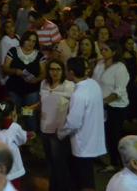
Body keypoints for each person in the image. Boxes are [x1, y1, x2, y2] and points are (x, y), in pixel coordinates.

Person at [58, 57, 106, 191]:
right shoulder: (93, 84)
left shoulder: (78, 94)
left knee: (84, 181)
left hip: (83, 143)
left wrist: (60, 133)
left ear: (71, 72)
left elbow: (73, 123)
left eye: (66, 70)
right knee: (87, 177)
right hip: (93, 138)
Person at [93, 39, 131, 173]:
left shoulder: (120, 67)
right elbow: (94, 82)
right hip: (102, 104)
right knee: (105, 134)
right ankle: (110, 160)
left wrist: (104, 102)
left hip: (116, 106)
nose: (102, 51)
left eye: (105, 49)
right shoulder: (100, 64)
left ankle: (118, 164)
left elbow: (118, 91)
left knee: (114, 135)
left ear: (114, 52)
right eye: (101, 49)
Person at [39, 59, 74, 191]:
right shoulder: (44, 83)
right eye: (52, 69)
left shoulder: (69, 85)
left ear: (63, 71)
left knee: (60, 163)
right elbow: (42, 102)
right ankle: (53, 186)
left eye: (58, 69)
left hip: (59, 130)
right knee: (50, 161)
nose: (55, 72)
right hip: (44, 128)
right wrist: (32, 108)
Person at [2, 31, 45, 132]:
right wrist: (15, 71)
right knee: (13, 114)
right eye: (29, 40)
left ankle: (30, 137)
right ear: (23, 40)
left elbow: (43, 73)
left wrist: (36, 79)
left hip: (31, 91)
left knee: (29, 114)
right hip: (14, 89)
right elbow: (5, 68)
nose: (31, 43)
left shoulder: (39, 55)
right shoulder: (13, 51)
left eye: (34, 41)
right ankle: (13, 136)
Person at [0, 101, 30, 189]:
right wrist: (15, 122)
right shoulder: (14, 127)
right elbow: (22, 139)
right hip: (12, 168)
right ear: (12, 114)